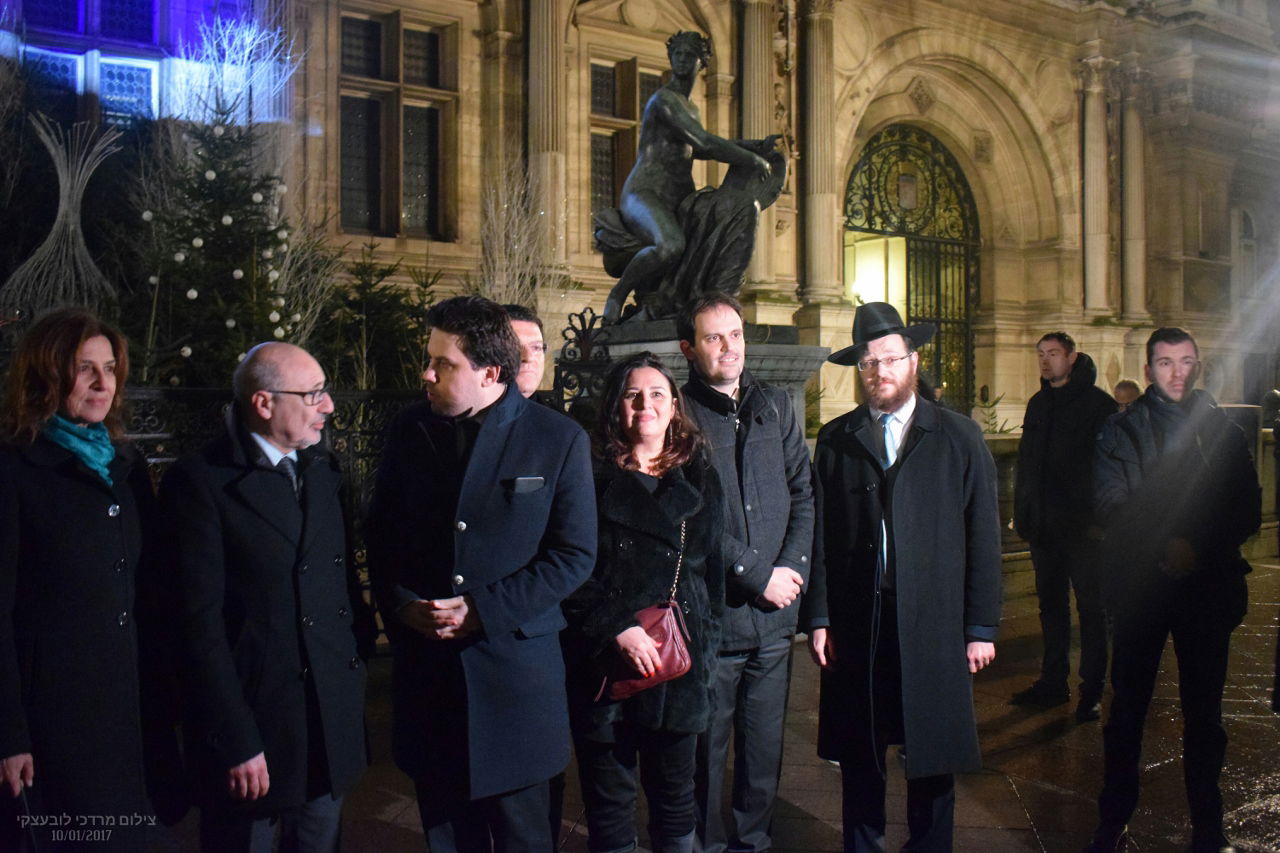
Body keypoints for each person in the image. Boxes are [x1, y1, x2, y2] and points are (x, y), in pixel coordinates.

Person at [366, 295, 596, 852]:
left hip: (515, 689)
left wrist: (483, 612)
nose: (426, 373)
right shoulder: (409, 430)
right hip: (431, 685)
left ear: (491, 372)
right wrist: (400, 604)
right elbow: (382, 537)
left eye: (442, 364)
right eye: (430, 358)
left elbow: (574, 554)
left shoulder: (557, 439)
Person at [800, 302, 1002, 853]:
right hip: (859, 620)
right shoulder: (839, 440)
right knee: (861, 755)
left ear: (913, 361)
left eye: (890, 359)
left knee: (931, 756)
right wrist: (818, 617)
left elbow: (984, 535)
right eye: (868, 363)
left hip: (933, 621)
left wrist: (981, 625)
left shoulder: (959, 438)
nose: (879, 372)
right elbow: (818, 536)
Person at [161, 341, 372, 852]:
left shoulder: (324, 471)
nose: (329, 406)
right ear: (264, 403)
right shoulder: (200, 482)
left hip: (324, 726)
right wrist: (233, 738)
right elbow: (197, 624)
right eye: (314, 394)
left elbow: (341, 588)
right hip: (253, 732)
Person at [0, 307, 170, 850]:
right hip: (55, 724)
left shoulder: (125, 464)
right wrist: (9, 735)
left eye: (111, 368)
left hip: (128, 715)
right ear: (45, 374)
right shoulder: (15, 468)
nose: (103, 383)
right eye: (85, 368)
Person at [1086, 328, 1260, 853]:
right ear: (1148, 370)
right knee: (1128, 712)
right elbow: (1112, 501)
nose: (1176, 372)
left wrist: (1196, 548)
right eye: (1165, 363)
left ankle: (1209, 827)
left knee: (1205, 716)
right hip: (1142, 586)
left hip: (1206, 587)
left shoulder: (1225, 431)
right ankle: (1112, 821)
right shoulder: (1121, 430)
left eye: (1185, 362)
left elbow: (1245, 506)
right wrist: (1168, 544)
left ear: (1199, 365)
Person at [563, 351, 725, 853]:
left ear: (674, 406)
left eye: (658, 394)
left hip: (678, 666)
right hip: (606, 666)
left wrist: (706, 652)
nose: (645, 405)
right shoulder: (585, 476)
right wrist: (616, 625)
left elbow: (710, 577)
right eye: (633, 395)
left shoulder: (699, 477)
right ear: (616, 406)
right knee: (609, 806)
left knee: (676, 804)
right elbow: (568, 568)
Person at [676, 295, 813, 853]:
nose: (728, 347)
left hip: (776, 622)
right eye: (713, 338)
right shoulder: (679, 414)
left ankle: (754, 843)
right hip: (719, 620)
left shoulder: (775, 404)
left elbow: (804, 494)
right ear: (690, 348)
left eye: (734, 334)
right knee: (705, 755)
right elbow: (689, 513)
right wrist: (757, 575)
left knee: (764, 752)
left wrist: (792, 570)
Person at [596, 31, 778, 324]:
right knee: (671, 245)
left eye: (689, 55)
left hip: (678, 196)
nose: (681, 60)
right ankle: (618, 293)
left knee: (708, 233)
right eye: (677, 54)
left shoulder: (690, 107)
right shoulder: (663, 99)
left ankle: (691, 308)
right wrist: (750, 158)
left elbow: (696, 150)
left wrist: (751, 147)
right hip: (645, 192)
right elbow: (704, 142)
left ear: (701, 63)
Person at [1011, 332, 1116, 721]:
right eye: (1040, 354)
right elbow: (1027, 464)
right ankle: (1053, 682)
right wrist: (1025, 512)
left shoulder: (1098, 406)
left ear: (1072, 357)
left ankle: (1092, 689)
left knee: (1091, 610)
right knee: (1050, 608)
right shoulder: (1039, 404)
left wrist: (1099, 521)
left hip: (1084, 530)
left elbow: (1109, 469)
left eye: (1053, 353)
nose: (1045, 360)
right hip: (1044, 528)